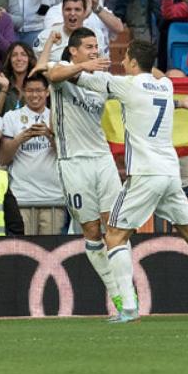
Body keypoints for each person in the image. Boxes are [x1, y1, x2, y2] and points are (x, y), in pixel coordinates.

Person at [73, 40, 188, 322]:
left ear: (134, 62)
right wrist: (181, 101)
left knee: (114, 235)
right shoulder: (166, 86)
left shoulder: (128, 85)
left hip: (145, 174)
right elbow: (157, 81)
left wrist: (73, 66)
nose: (123, 64)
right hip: (170, 173)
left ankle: (129, 309)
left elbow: (79, 77)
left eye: (127, 59)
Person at [43, 28, 127, 313]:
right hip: (73, 162)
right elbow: (52, 76)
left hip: (102, 159)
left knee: (115, 228)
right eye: (89, 46)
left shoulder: (101, 79)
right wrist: (83, 67)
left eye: (97, 47)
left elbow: (134, 93)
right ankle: (115, 294)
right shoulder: (61, 68)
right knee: (91, 231)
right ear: (73, 50)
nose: (95, 51)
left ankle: (127, 296)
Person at [0, 74, 61, 235]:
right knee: (26, 251)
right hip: (22, 196)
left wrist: (49, 134)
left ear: (47, 92)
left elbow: (65, 153)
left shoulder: (58, 116)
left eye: (39, 90)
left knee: (52, 250)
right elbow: (3, 158)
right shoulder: (12, 117)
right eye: (30, 90)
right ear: (23, 92)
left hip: (53, 196)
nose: (34, 95)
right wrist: (20, 139)